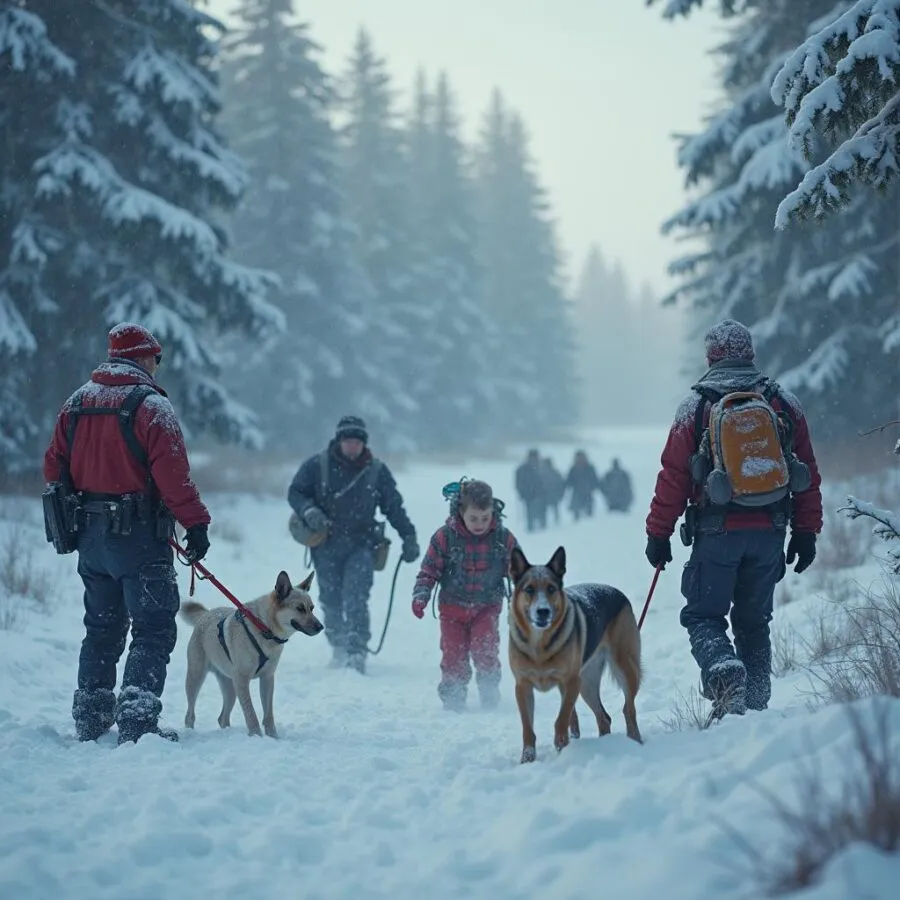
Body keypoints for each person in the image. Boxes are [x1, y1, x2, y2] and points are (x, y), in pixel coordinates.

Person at [645, 319, 822, 718]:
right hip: (771, 532)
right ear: (750, 354)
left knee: (703, 616)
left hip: (717, 531)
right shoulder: (783, 403)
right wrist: (806, 531)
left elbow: (672, 476)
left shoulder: (695, 407)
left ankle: (726, 682)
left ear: (710, 357)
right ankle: (754, 707)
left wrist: (659, 533)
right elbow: (807, 471)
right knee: (754, 620)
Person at [43, 323, 210, 745]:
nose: (158, 365)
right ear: (141, 357)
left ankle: (91, 716)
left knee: (101, 627)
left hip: (90, 537)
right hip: (139, 540)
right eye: (156, 357)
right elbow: (174, 478)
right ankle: (137, 722)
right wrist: (196, 523)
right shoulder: (152, 408)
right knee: (153, 627)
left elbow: (52, 469)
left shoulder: (76, 404)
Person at [287, 415, 419, 673]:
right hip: (326, 545)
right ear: (339, 441)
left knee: (356, 597)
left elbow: (394, 507)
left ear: (363, 443)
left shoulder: (377, 471)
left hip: (362, 546)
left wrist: (409, 536)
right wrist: (309, 510)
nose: (352, 445)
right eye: (347, 440)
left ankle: (357, 651)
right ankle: (338, 645)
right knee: (330, 599)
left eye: (357, 441)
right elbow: (295, 492)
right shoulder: (317, 465)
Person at [411, 480, 519, 711]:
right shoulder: (444, 537)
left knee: (485, 650)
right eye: (473, 518)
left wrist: (525, 591)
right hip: (452, 609)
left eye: (485, 517)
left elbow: (520, 570)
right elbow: (429, 570)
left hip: (487, 607)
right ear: (460, 512)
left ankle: (489, 692)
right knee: (453, 655)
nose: (479, 524)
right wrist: (422, 594)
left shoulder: (502, 538)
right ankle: (453, 698)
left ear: (493, 511)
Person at [515, 449, 546, 532]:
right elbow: (518, 482)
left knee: (541, 510)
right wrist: (521, 492)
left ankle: (542, 527)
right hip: (528, 494)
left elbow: (545, 481)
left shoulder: (541, 467)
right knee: (529, 512)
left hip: (539, 493)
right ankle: (531, 527)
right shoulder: (522, 469)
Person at [565, 450, 602, 520]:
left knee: (585, 513)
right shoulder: (575, 468)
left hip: (584, 493)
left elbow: (594, 480)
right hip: (581, 493)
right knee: (580, 513)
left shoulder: (586, 468)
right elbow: (569, 481)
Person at [540, 457, 566, 524]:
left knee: (554, 508)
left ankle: (556, 521)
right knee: (544, 510)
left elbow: (561, 484)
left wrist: (560, 493)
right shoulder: (541, 473)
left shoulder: (554, 473)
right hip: (545, 495)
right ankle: (544, 522)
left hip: (552, 494)